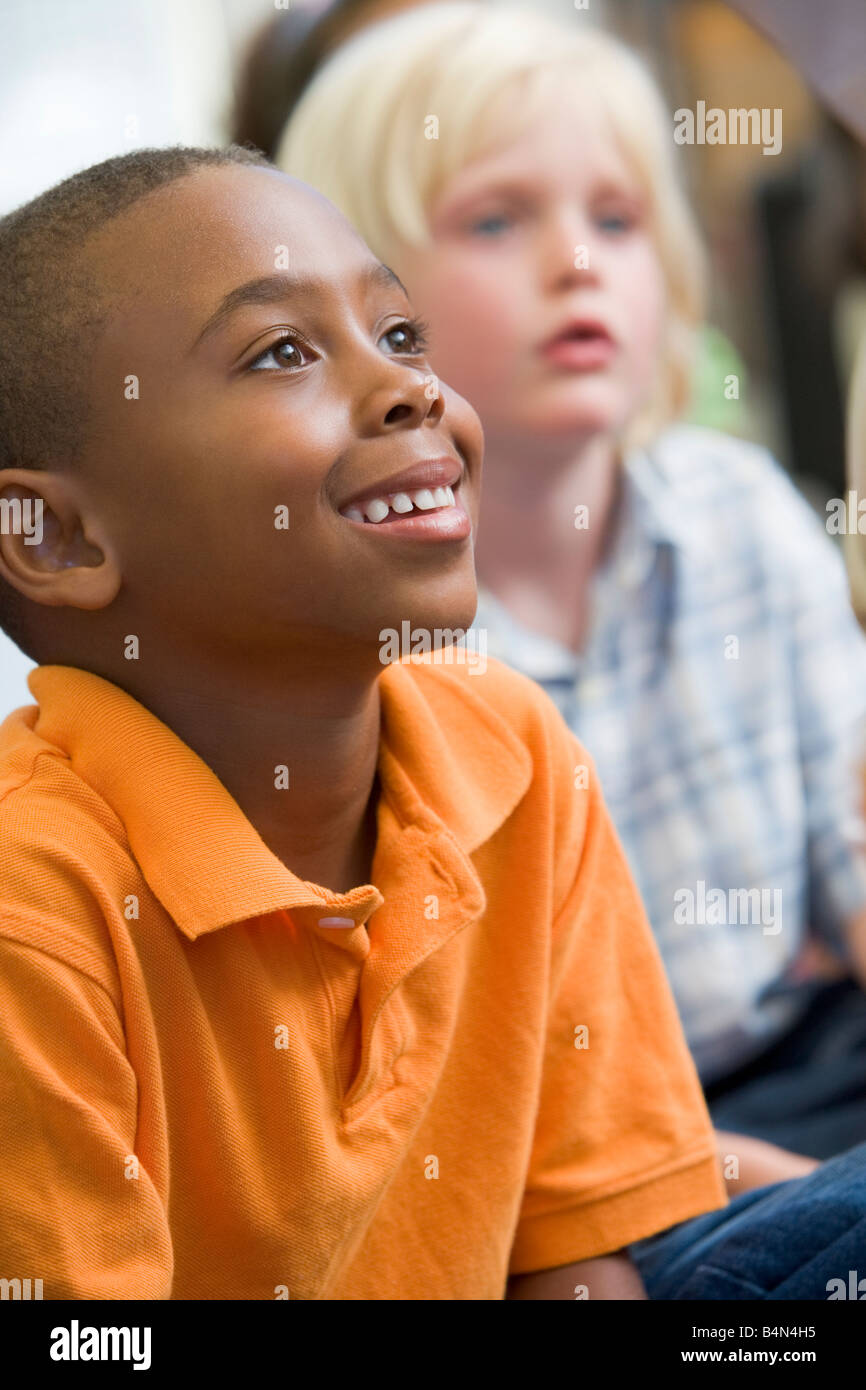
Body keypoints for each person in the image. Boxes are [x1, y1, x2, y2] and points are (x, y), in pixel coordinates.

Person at [0, 144, 732, 1300]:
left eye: (400, 335)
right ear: (60, 541)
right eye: (281, 351)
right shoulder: (31, 913)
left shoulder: (510, 751)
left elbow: (577, 1257)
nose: (412, 391)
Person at [276, 1, 866, 1174]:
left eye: (617, 217)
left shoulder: (744, 511)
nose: (578, 262)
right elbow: (467, 1081)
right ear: (360, 316)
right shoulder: (364, 647)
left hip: (816, 1060)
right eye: (495, 219)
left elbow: (848, 858)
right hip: (569, 1157)